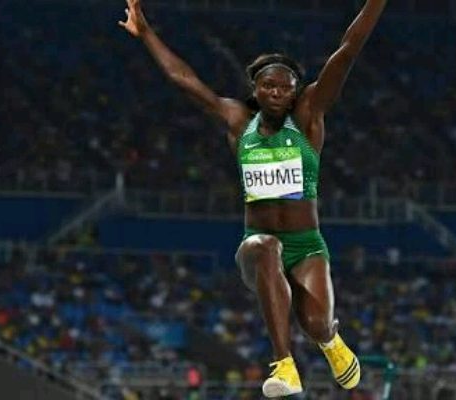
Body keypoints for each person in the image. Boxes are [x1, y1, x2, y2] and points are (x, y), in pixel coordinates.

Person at [119, 0, 387, 397]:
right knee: (265, 246)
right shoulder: (237, 121)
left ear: (295, 92)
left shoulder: (308, 118)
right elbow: (184, 79)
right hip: (257, 244)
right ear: (256, 91)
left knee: (316, 324)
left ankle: (330, 340)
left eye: (285, 87)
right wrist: (146, 34)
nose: (276, 92)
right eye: (268, 86)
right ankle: (284, 365)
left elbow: (347, 50)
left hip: (307, 245)